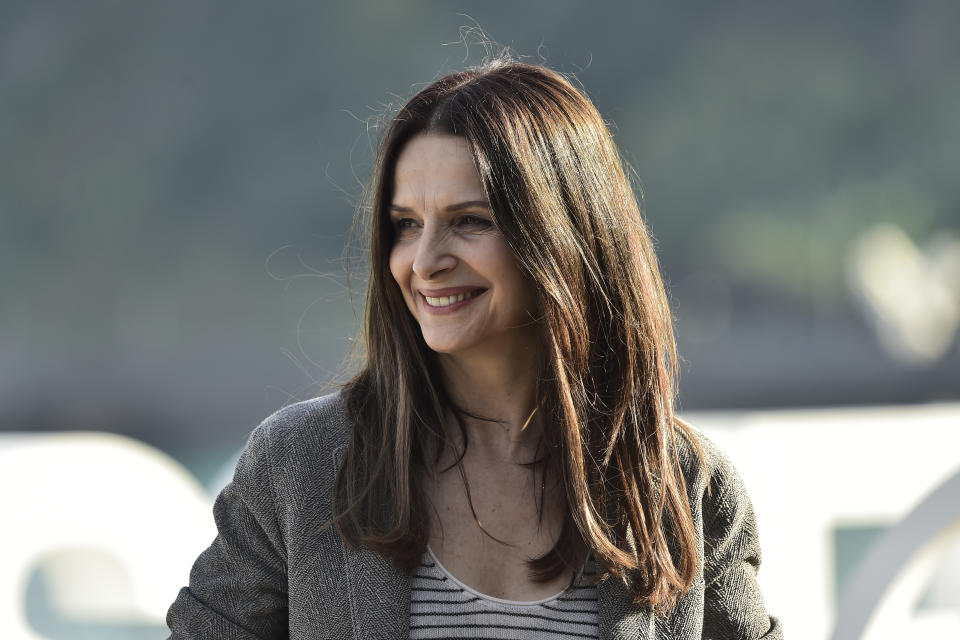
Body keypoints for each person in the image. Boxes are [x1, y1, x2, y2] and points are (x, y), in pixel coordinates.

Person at [166, 57, 783, 639]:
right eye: (406, 224)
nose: (426, 261)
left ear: (561, 235)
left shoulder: (684, 488)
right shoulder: (300, 465)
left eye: (470, 220)